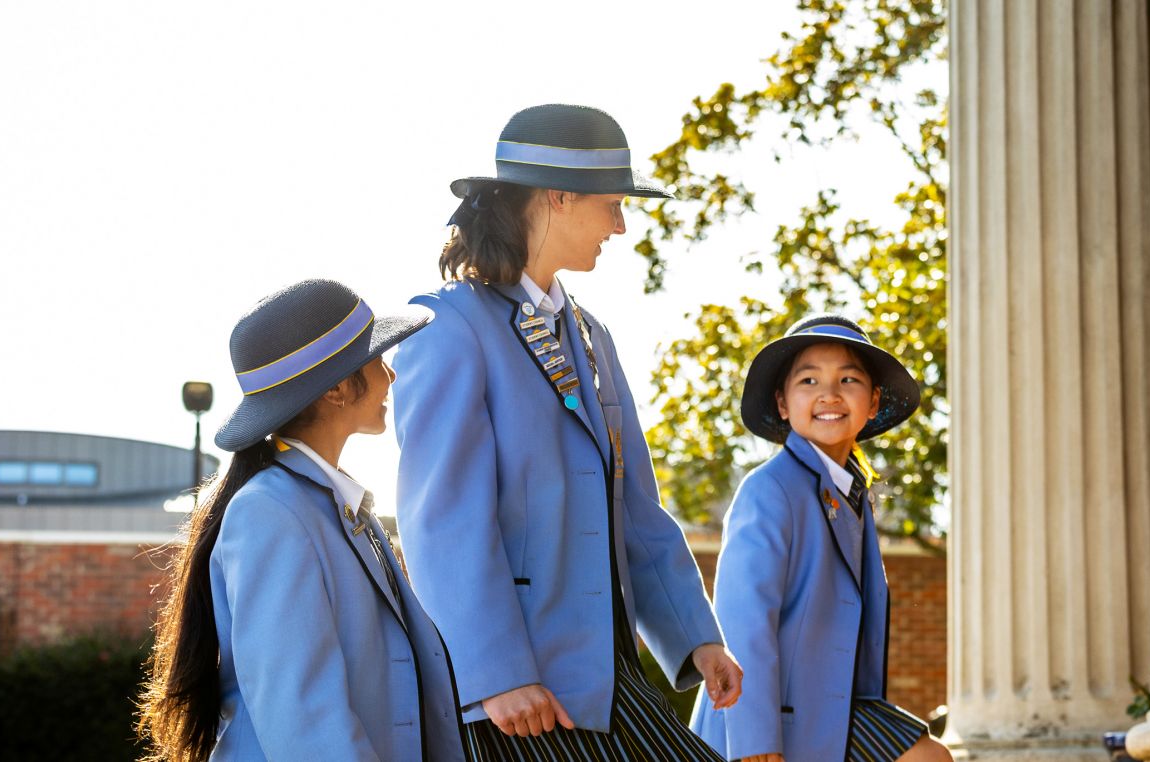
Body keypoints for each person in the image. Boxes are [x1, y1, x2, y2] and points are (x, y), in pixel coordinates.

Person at [392, 103, 742, 760]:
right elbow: (442, 522)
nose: (621, 224)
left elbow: (635, 507)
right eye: (612, 203)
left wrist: (696, 635)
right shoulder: (448, 328)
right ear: (557, 198)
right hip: (515, 700)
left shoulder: (591, 335)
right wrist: (498, 673)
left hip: (607, 684)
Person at [138, 279, 465, 761]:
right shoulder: (268, 512)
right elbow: (304, 719)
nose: (390, 376)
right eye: (375, 359)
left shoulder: (336, 502)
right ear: (336, 388)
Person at [690, 314, 953, 762]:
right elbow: (743, 620)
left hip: (834, 713)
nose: (829, 394)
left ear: (872, 402)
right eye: (809, 380)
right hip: (768, 720)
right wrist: (755, 741)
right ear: (783, 403)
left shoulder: (851, 492)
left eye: (848, 379)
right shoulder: (768, 489)